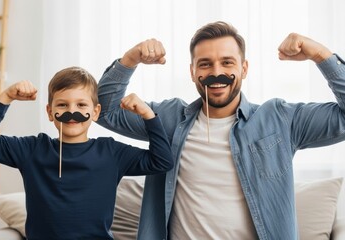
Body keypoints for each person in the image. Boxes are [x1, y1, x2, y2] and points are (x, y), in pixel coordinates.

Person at [96, 21, 345, 239]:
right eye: (205, 64)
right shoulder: (167, 120)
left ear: (244, 69)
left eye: (227, 62)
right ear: (193, 72)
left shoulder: (280, 119)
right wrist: (130, 59)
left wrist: (321, 54)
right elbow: (104, 111)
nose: (216, 73)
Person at [0, 66, 174, 239]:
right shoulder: (32, 149)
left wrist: (148, 115)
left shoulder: (111, 152)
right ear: (50, 113)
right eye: (62, 105)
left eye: (81, 104)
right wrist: (6, 97)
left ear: (95, 112)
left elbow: (161, 161)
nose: (71, 112)